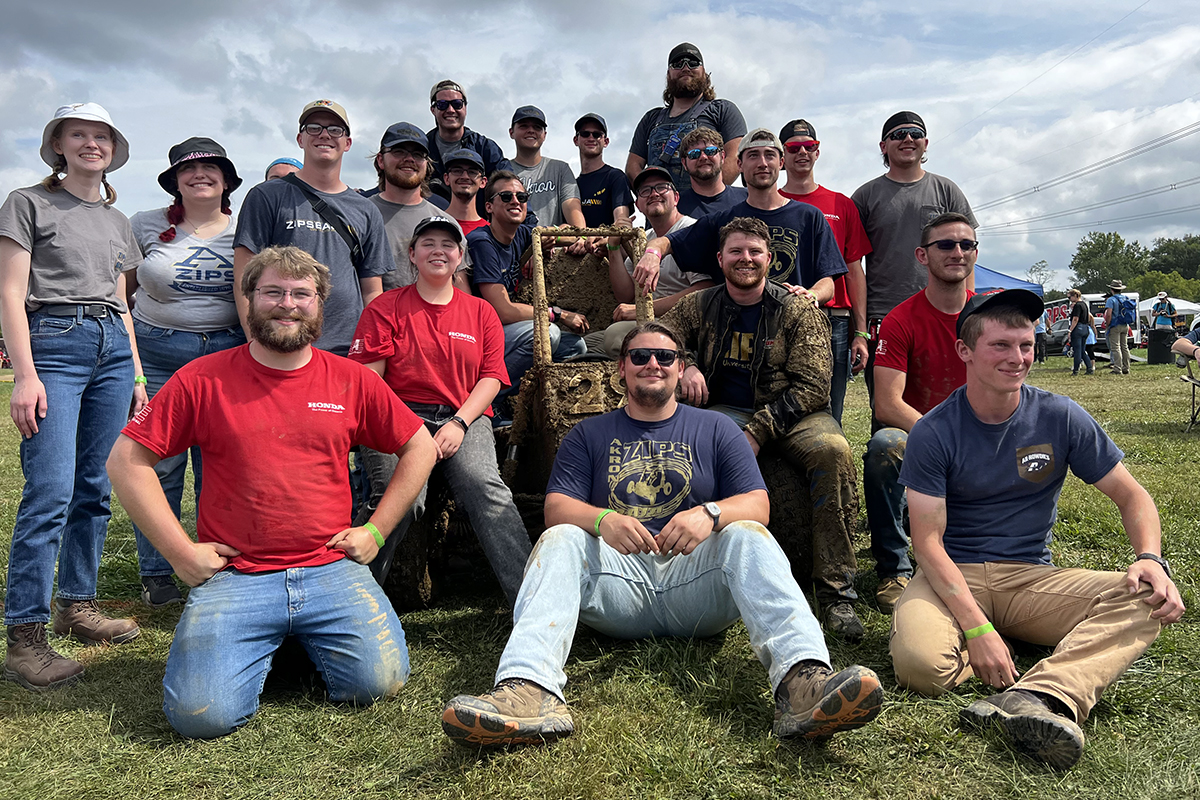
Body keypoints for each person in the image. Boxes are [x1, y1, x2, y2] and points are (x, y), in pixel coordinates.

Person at [440, 321, 883, 747]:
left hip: (696, 586)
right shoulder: (588, 434)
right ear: (621, 367)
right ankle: (528, 690)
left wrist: (708, 514)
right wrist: (602, 520)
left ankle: (803, 682)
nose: (653, 363)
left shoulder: (717, 429)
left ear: (680, 366)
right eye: (640, 355)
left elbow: (758, 504)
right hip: (618, 588)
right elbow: (556, 507)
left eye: (665, 356)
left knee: (747, 534)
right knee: (561, 538)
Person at [107, 245, 438, 739]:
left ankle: (283, 643)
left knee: (377, 684)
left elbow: (420, 448)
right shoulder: (202, 379)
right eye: (273, 292)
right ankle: (268, 642)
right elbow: (125, 462)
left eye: (302, 293)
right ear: (249, 300)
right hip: (237, 575)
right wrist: (179, 554)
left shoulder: (350, 379)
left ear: (320, 304)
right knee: (203, 718)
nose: (287, 303)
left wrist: (376, 529)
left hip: (328, 567)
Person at [892, 289, 1184, 770]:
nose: (1019, 358)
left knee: (1145, 598)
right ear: (965, 350)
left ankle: (1039, 694)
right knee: (921, 667)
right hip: (951, 575)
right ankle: (993, 650)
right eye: (1001, 346)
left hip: (1030, 577)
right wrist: (979, 628)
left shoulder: (1059, 415)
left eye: (1026, 345)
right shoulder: (934, 431)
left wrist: (1150, 558)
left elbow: (1133, 497)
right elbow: (926, 542)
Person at [662, 218, 864, 638]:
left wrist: (757, 431)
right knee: (690, 447)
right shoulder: (700, 304)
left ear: (770, 259)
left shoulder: (796, 309)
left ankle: (836, 592)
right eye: (736, 251)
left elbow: (812, 385)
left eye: (755, 252)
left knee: (833, 451)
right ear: (720, 259)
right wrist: (689, 365)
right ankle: (691, 573)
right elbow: (663, 335)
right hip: (725, 411)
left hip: (794, 414)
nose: (746, 259)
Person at [1, 103, 144, 691]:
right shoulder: (27, 203)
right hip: (54, 342)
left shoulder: (117, 222)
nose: (91, 143)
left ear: (113, 148)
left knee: (95, 487)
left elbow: (122, 302)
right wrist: (24, 375)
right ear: (57, 145)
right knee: (50, 490)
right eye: (78, 134)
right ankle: (26, 636)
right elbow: (10, 293)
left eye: (101, 135)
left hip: (112, 344)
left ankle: (76, 606)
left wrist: (135, 375)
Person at [348, 216, 532, 604]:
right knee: (401, 499)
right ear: (412, 255)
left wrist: (460, 422)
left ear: (460, 256)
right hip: (397, 415)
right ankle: (351, 605)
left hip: (463, 415)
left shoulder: (481, 313)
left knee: (484, 487)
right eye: (427, 243)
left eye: (447, 245)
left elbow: (492, 377)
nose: (438, 251)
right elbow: (370, 383)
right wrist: (410, 433)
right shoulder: (385, 307)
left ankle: (531, 598)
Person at [125, 137, 247, 608]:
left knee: (221, 463)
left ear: (227, 179)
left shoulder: (243, 228)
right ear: (174, 180)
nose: (199, 175)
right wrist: (133, 367)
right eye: (188, 169)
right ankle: (158, 572)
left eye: (210, 168)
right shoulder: (144, 225)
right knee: (161, 465)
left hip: (227, 354)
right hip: (158, 354)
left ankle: (224, 563)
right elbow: (123, 294)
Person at [863, 212, 977, 614]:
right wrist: (946, 437)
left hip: (981, 432)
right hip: (921, 433)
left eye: (966, 245)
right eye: (945, 244)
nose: (957, 252)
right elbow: (887, 404)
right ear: (922, 256)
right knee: (885, 445)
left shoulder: (988, 317)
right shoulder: (900, 319)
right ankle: (894, 567)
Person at [233, 99, 394, 357]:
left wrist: (369, 350)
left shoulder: (366, 209)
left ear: (348, 143)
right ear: (300, 138)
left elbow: (372, 289)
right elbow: (244, 278)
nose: (324, 135)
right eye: (314, 127)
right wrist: (256, 342)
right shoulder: (266, 196)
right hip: (279, 345)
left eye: (335, 130)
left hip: (345, 350)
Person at [632, 129, 845, 301]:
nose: (762, 163)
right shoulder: (723, 220)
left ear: (780, 163)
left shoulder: (810, 216)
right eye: (753, 155)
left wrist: (813, 294)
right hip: (737, 332)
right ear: (739, 165)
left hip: (793, 327)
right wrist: (652, 254)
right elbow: (667, 241)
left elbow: (827, 279)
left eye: (769, 155)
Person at [851, 112, 976, 399]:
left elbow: (966, 253)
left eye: (914, 133)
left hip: (945, 318)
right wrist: (860, 330)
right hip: (884, 319)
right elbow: (852, 264)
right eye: (897, 135)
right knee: (888, 419)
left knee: (954, 400)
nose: (907, 139)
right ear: (883, 146)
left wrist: (969, 313)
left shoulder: (947, 190)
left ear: (926, 142)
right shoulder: (865, 196)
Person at [467, 172, 588, 418]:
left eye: (521, 196)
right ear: (489, 206)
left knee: (575, 346)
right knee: (547, 333)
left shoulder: (522, 234)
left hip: (502, 336)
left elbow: (571, 234)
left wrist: (550, 240)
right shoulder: (482, 242)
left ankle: (538, 405)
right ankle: (490, 401)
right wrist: (558, 314)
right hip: (478, 337)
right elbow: (504, 311)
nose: (515, 201)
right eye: (506, 196)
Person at [777, 118, 871, 426]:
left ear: (818, 152)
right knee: (782, 405)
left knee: (832, 410)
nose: (802, 152)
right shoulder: (769, 202)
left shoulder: (841, 204)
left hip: (834, 319)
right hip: (781, 317)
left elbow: (855, 271)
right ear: (782, 156)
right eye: (794, 147)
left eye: (810, 146)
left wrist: (860, 332)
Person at [586, 166, 713, 358]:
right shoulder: (643, 238)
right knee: (585, 344)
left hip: (686, 323)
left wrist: (643, 310)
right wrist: (614, 245)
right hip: (650, 321)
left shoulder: (692, 231)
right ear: (638, 204)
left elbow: (705, 290)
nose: (654, 194)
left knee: (614, 336)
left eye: (662, 187)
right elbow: (626, 295)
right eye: (646, 191)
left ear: (676, 197)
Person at [626, 43, 746, 187]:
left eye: (693, 63)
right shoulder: (651, 119)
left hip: (708, 208)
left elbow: (735, 156)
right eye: (677, 64)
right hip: (663, 206)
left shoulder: (723, 110)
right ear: (668, 74)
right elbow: (633, 166)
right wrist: (651, 194)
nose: (685, 68)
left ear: (704, 72)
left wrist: (711, 194)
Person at [368, 121, 470, 292]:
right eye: (399, 151)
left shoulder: (446, 221)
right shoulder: (361, 214)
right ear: (380, 160)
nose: (409, 159)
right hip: (379, 317)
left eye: (418, 154)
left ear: (427, 163)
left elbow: (460, 289)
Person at [425, 79, 511, 206]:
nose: (450, 110)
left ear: (465, 108)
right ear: (433, 109)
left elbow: (509, 187)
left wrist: (527, 223)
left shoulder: (485, 148)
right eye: (442, 104)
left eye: (457, 104)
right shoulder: (422, 150)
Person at [509, 106, 586, 230]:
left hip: (556, 248)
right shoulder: (503, 170)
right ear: (511, 132)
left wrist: (576, 235)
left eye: (537, 127)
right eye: (524, 126)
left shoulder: (561, 169)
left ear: (544, 135)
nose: (531, 130)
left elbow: (575, 215)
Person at [672, 128, 748, 219]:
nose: (703, 157)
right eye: (694, 154)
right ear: (684, 163)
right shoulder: (673, 207)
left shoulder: (748, 198)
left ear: (722, 157)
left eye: (710, 151)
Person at [573, 113, 633, 229]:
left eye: (597, 135)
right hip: (578, 245)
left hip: (608, 245)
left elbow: (621, 221)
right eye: (585, 134)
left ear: (605, 142)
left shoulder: (616, 177)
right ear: (576, 140)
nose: (591, 138)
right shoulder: (572, 185)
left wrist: (602, 239)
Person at [441, 149, 490, 236]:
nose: (465, 176)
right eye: (457, 171)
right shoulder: (434, 225)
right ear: (447, 178)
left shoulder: (491, 233)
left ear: (483, 182)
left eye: (472, 172)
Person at [1103, 278, 1133, 375]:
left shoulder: (1111, 300)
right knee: (1124, 347)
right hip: (1125, 324)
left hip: (1115, 325)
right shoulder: (1126, 298)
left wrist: (1108, 324)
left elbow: (1109, 314)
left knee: (1116, 347)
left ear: (1112, 289)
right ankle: (1126, 367)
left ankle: (1117, 368)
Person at [1066, 288, 1097, 376]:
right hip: (1085, 328)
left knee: (1077, 351)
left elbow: (1075, 319)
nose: (1070, 300)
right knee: (1082, 350)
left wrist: (1070, 330)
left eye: (1070, 297)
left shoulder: (1077, 306)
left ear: (1075, 296)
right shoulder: (1084, 305)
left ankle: (1075, 370)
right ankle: (1089, 368)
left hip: (1078, 328)